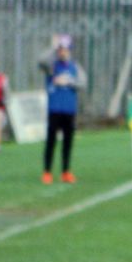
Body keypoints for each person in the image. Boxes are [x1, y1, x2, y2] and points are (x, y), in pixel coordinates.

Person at [40, 36, 85, 184]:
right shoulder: (52, 66)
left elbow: (83, 83)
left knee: (68, 142)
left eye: (64, 49)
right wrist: (52, 47)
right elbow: (41, 62)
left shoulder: (74, 67)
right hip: (54, 109)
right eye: (60, 50)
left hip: (69, 110)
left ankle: (66, 171)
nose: (62, 52)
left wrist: (69, 81)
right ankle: (47, 171)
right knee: (51, 141)